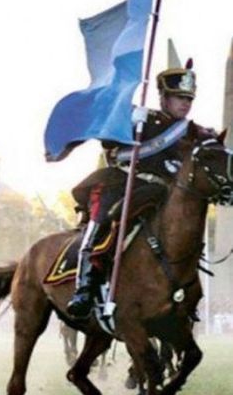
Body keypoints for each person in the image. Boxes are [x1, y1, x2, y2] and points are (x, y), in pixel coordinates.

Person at [66, 59, 218, 319]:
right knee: (103, 220)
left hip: (167, 193)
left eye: (188, 99)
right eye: (179, 97)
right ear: (163, 98)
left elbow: (215, 154)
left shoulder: (195, 132)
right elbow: (108, 142)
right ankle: (84, 287)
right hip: (129, 184)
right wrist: (125, 121)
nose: (185, 103)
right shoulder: (141, 119)